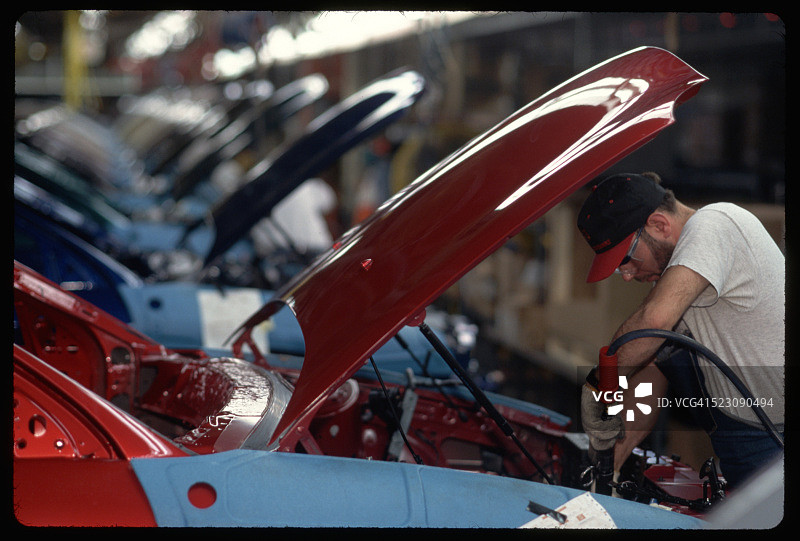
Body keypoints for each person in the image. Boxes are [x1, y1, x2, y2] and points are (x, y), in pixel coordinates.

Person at [577, 172, 784, 488]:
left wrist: (597, 387)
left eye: (626, 260)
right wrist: (603, 465)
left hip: (775, 444)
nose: (628, 275)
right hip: (750, 445)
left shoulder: (715, 224)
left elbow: (653, 322)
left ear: (659, 225)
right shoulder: (685, 279)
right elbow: (649, 383)